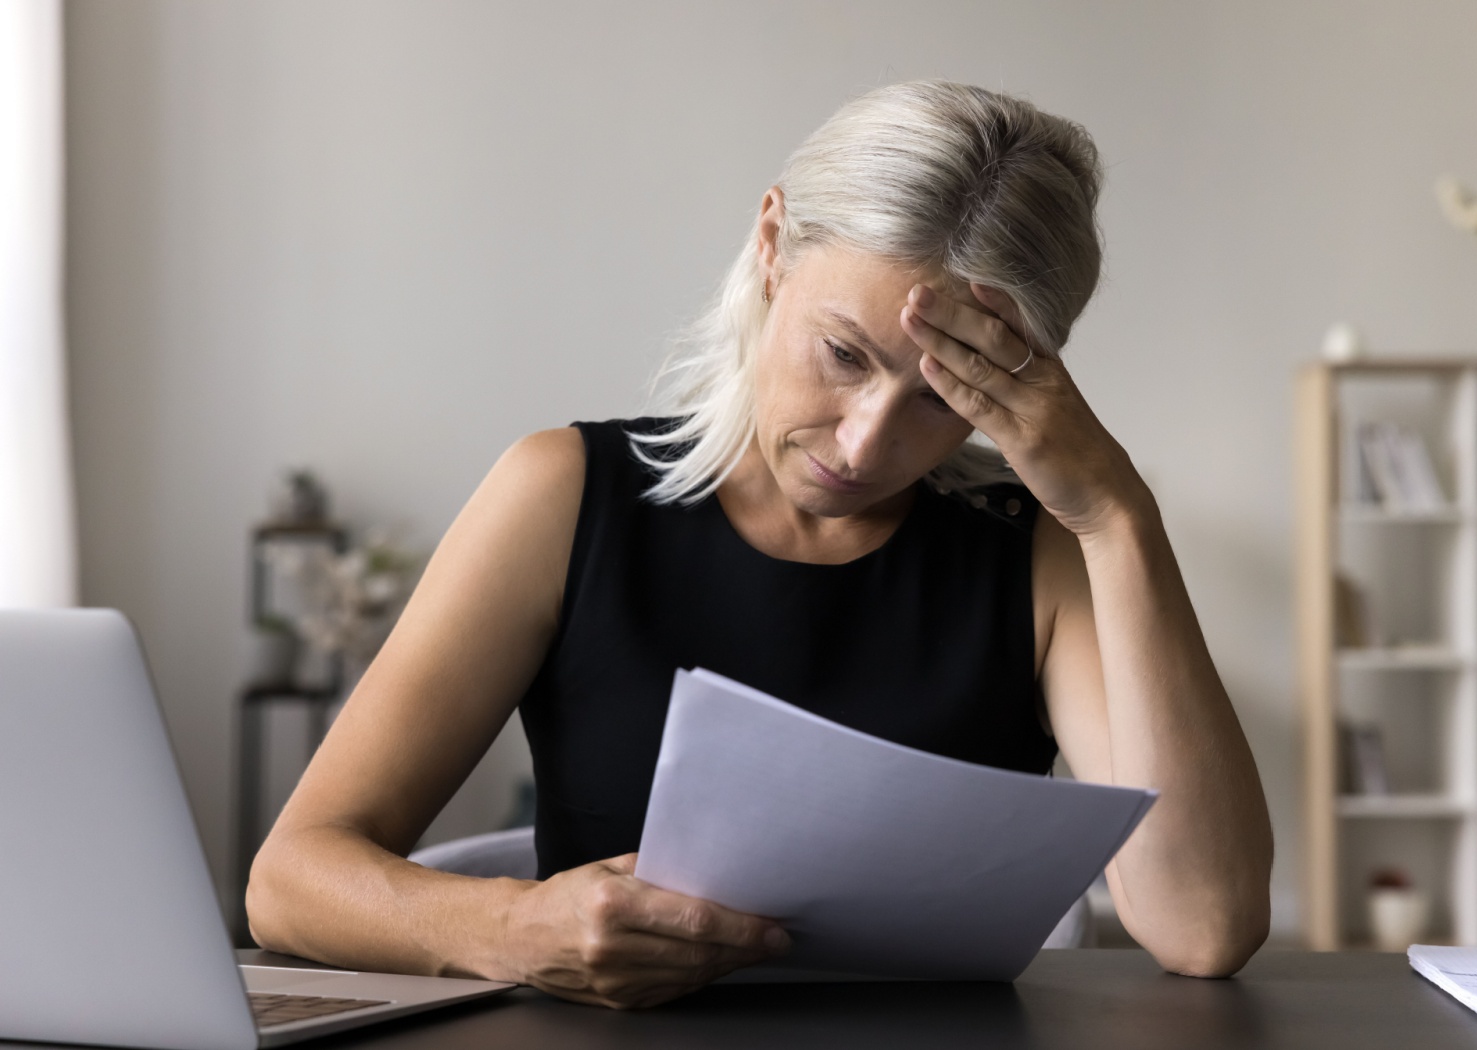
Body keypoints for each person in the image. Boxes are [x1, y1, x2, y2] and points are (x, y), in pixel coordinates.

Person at [247, 80, 1273, 1010]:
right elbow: (290, 879)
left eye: (941, 398)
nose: (866, 442)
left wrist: (1115, 512)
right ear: (772, 244)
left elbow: (1204, 926)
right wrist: (509, 928)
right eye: (843, 355)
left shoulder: (1042, 555)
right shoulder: (565, 497)